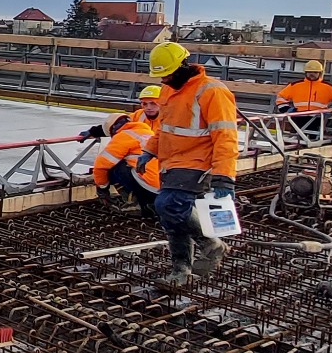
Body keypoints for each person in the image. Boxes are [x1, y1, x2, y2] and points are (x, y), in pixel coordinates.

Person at [143, 41, 239, 288]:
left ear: (183, 67)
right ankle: (181, 270)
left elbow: (226, 136)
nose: (164, 80)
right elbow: (165, 128)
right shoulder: (168, 91)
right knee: (170, 218)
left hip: (199, 162)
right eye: (161, 76)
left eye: (168, 75)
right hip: (171, 161)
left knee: (169, 205)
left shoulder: (212, 91)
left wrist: (223, 176)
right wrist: (149, 151)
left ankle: (211, 244)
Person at [91, 112, 159, 220]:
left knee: (113, 167)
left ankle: (133, 203)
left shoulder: (123, 136)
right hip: (163, 188)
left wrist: (102, 189)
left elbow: (101, 166)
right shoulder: (148, 132)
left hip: (148, 186)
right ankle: (148, 204)